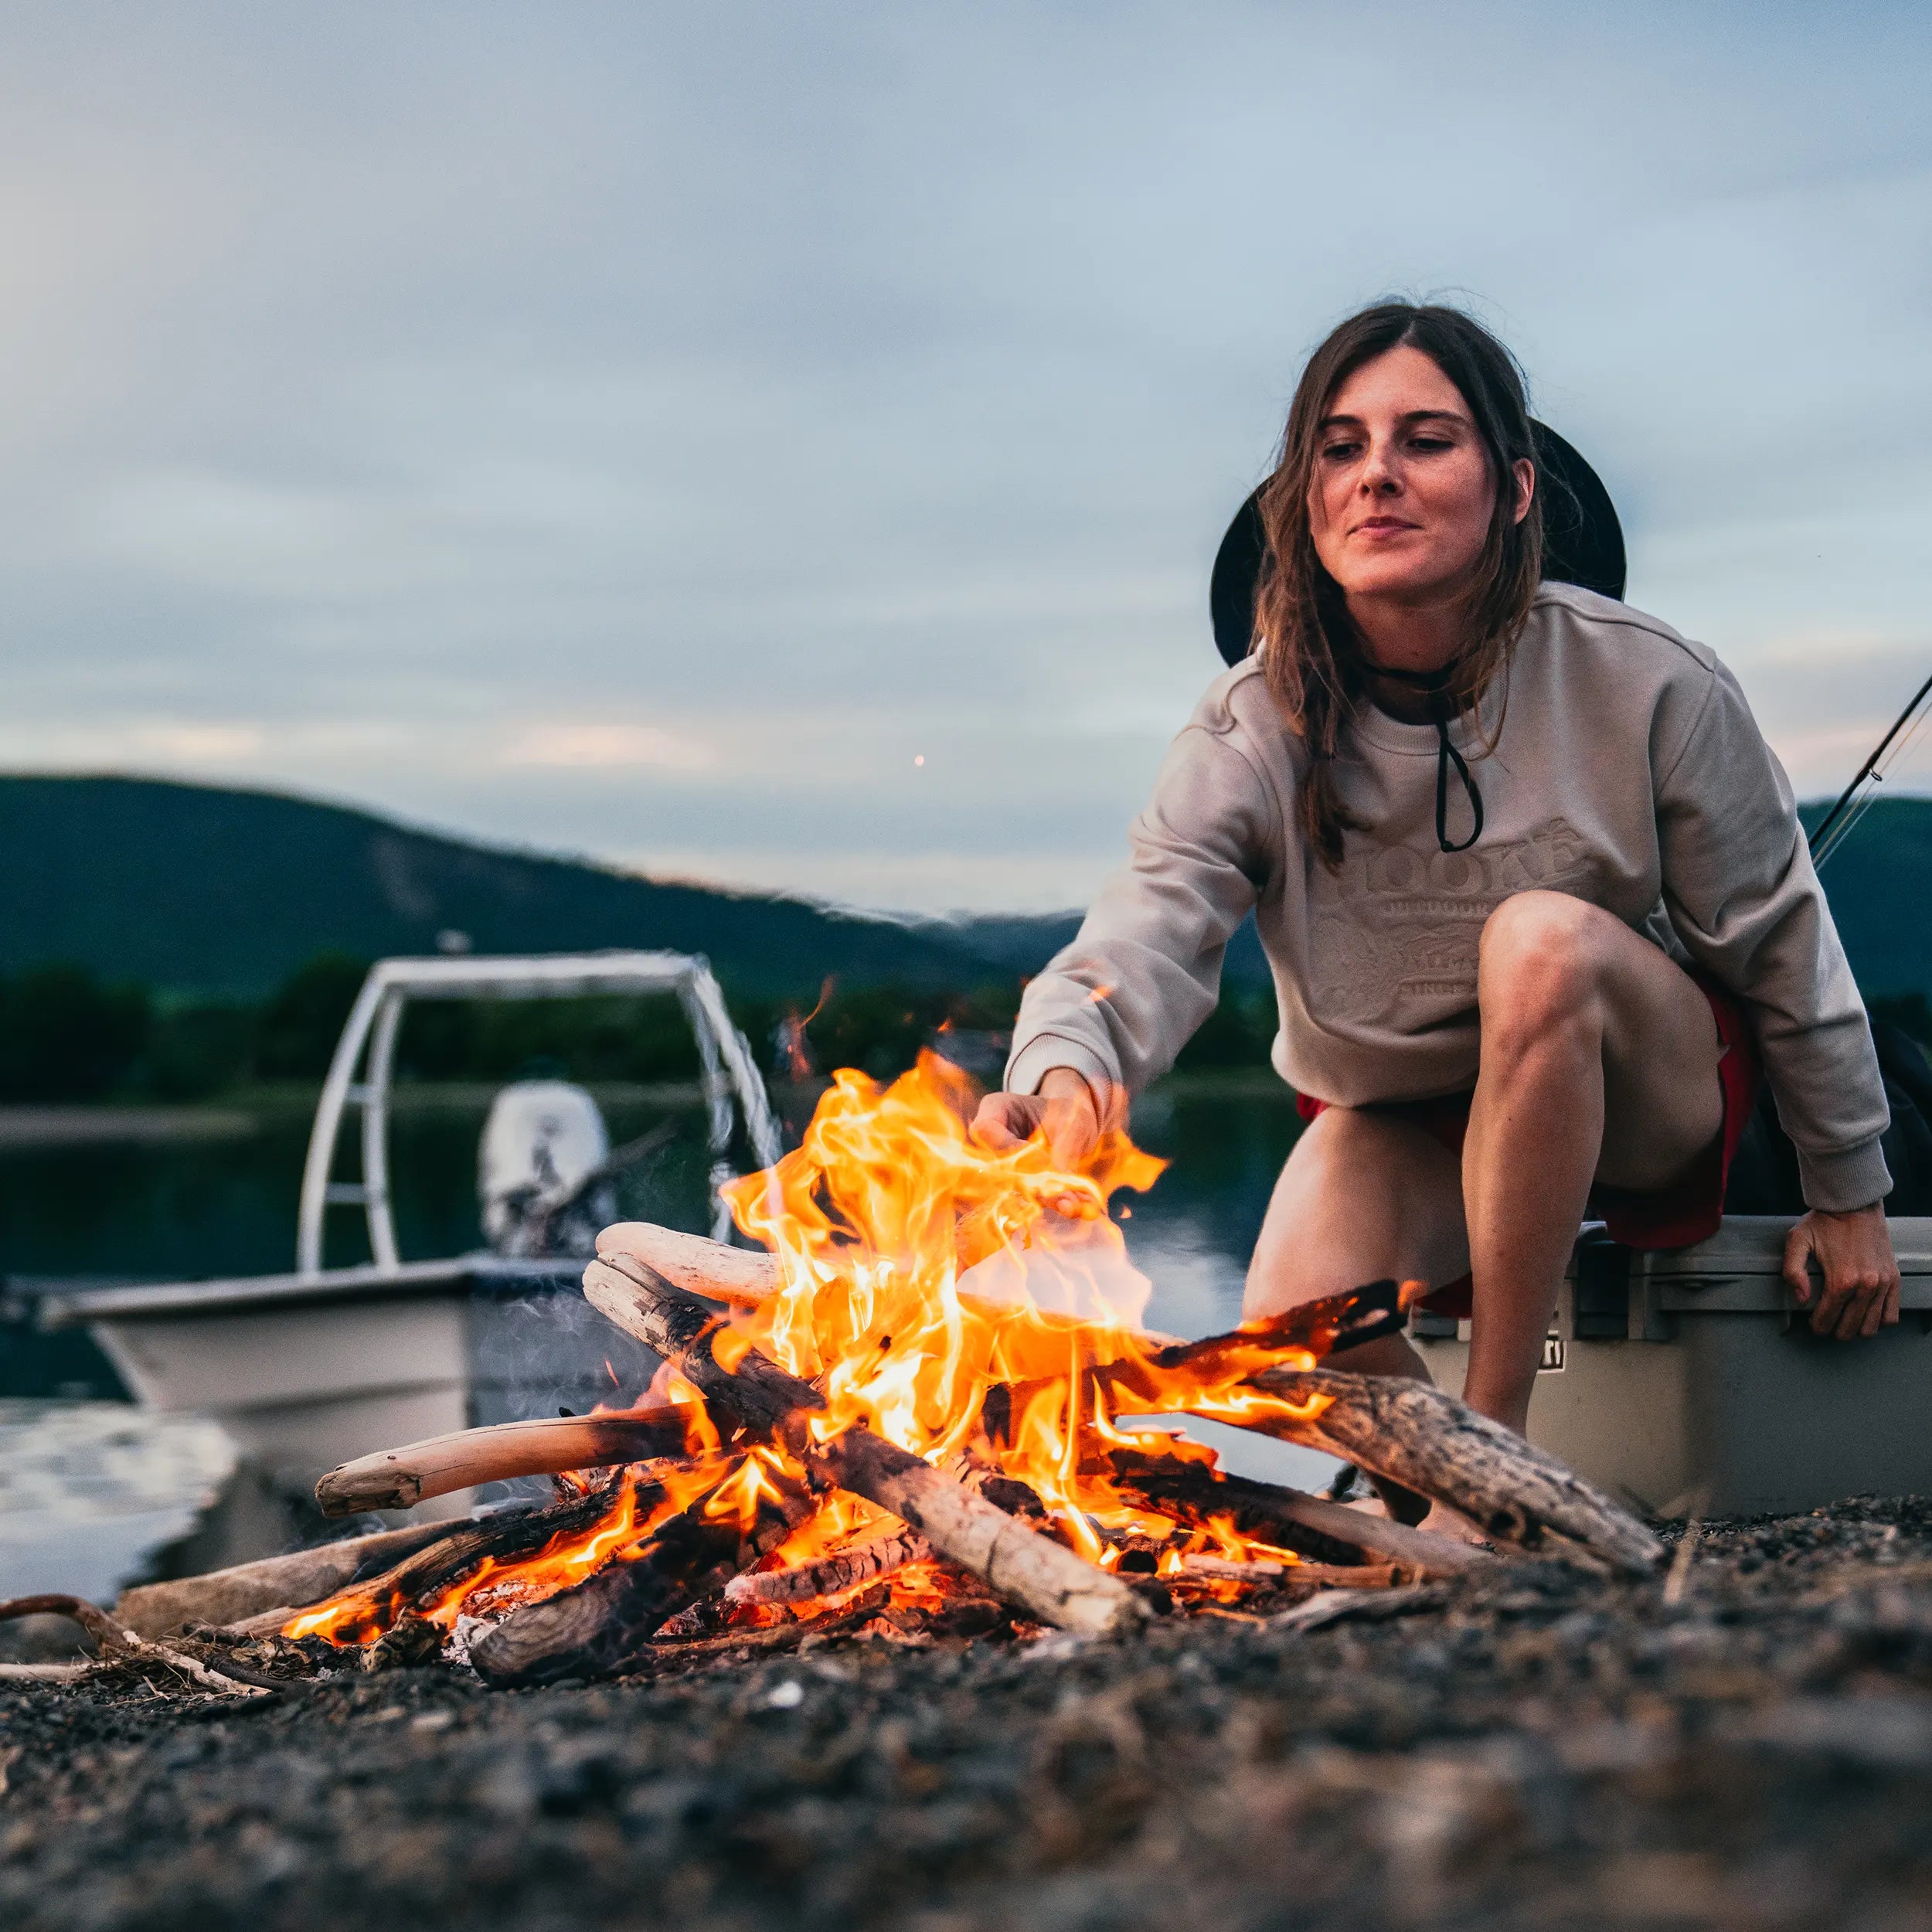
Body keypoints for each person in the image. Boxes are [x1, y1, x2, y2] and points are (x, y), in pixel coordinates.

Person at [972, 301, 1900, 1529]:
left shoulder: (1648, 680)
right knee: (1288, 1333)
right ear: (1306, 500)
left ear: (1515, 489)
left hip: (1643, 1092)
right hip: (1406, 1109)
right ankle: (1486, 1491)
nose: (1378, 478)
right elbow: (1143, 932)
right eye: (1342, 447)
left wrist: (1849, 1193)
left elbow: (1785, 943)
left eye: (1426, 440)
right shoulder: (1251, 725)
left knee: (1540, 939)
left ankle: (1501, 1463)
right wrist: (1063, 1069)